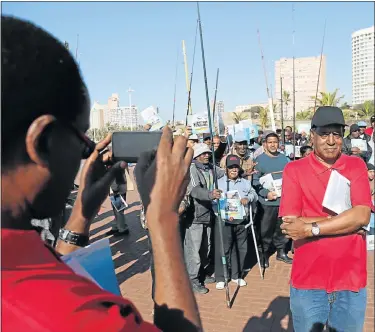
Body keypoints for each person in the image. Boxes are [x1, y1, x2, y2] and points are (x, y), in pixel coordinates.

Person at [2, 16, 201, 331]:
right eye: (82, 141)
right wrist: (162, 218)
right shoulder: (73, 317)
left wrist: (80, 215)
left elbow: (42, 270)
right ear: (42, 143)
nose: (88, 153)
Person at [279, 106, 372, 332]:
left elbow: (362, 215)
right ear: (312, 136)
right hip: (308, 281)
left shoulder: (356, 165)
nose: (331, 141)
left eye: (337, 134)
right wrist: (349, 224)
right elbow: (292, 225)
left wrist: (311, 228)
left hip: (351, 281)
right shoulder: (294, 169)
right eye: (324, 134)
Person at [184, 143, 225, 294]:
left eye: (208, 153)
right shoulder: (192, 169)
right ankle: (192, 280)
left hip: (208, 214)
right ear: (196, 156)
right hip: (194, 216)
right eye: (203, 154)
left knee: (205, 248)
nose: (206, 155)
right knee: (193, 251)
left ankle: (201, 273)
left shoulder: (211, 168)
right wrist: (210, 195)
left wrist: (242, 172)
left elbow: (224, 173)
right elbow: (194, 190)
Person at [215, 155, 258, 290]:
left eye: (236, 167)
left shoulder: (245, 183)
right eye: (231, 167)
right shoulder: (219, 182)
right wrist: (218, 209)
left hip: (241, 220)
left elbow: (254, 195)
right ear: (226, 169)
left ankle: (236, 275)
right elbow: (212, 201)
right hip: (224, 220)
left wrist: (248, 198)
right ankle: (222, 277)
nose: (234, 170)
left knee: (240, 249)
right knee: (224, 249)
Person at [252, 132, 292, 268]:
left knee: (282, 229)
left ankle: (281, 252)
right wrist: (265, 194)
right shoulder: (259, 161)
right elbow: (255, 183)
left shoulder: (285, 159)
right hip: (267, 203)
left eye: (275, 142)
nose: (273, 145)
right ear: (264, 144)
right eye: (270, 142)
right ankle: (264, 255)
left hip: (283, 201)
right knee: (265, 230)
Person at [106, 166, 130, 236]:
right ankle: (116, 226)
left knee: (119, 210)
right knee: (115, 209)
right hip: (114, 186)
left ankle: (123, 229)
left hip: (117, 187)